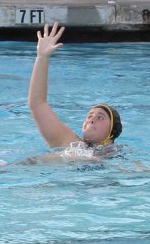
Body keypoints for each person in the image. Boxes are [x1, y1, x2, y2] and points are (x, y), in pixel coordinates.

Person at [28, 22, 123, 150]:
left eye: (100, 117)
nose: (91, 120)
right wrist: (42, 57)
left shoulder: (120, 158)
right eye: (89, 116)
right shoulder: (69, 143)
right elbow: (37, 104)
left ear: (112, 132)